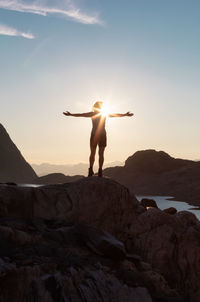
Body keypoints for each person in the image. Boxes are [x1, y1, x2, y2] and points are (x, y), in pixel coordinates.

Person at [63, 101, 133, 177]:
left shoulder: (92, 114)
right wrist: (125, 115)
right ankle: (100, 170)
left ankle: (91, 170)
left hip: (94, 134)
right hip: (102, 134)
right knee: (101, 154)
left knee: (93, 153)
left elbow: (81, 115)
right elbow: (115, 115)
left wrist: (70, 114)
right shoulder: (104, 114)